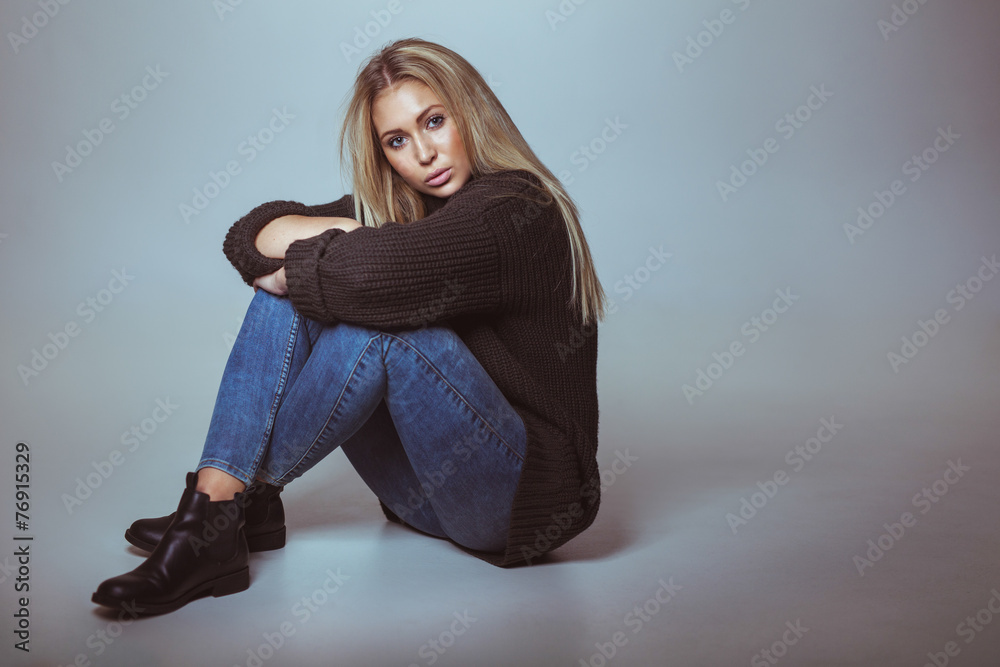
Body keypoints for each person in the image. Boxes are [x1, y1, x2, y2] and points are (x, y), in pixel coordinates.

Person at [92, 37, 607, 615]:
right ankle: (225, 504)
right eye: (397, 140)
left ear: (472, 112)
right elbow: (250, 232)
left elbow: (362, 280)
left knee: (375, 327)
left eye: (434, 121)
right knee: (288, 299)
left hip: (514, 503)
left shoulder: (516, 209)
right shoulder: (404, 204)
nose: (424, 154)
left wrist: (327, 253)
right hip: (418, 497)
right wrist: (343, 240)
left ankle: (220, 511)